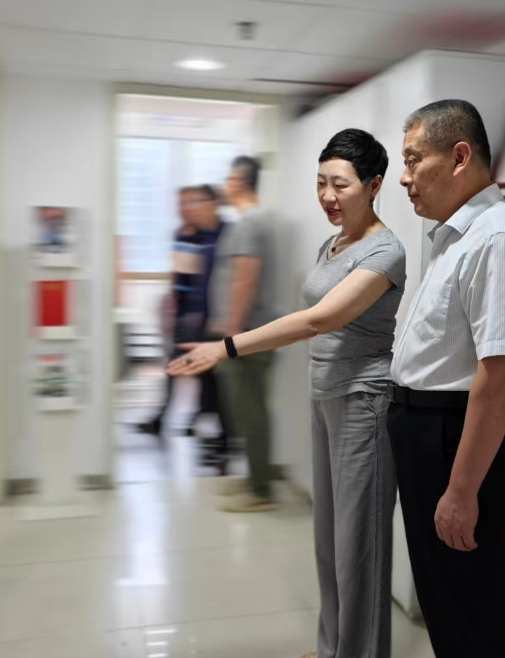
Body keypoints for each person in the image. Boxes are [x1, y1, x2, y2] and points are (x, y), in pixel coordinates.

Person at [171, 129, 404, 658]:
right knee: (329, 541)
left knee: (358, 546)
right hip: (325, 395)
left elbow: (319, 319)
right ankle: (332, 647)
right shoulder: (333, 243)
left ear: (374, 185)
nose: (327, 195)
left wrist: (226, 346)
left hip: (364, 402)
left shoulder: (387, 251)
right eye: (321, 183)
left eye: (340, 184)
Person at [389, 100, 505, 658]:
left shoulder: (499, 238)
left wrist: (460, 492)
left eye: (414, 159)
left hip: (459, 444)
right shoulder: (458, 236)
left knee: (470, 624)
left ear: (459, 157)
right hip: (434, 436)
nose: (405, 177)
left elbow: (499, 378)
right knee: (449, 608)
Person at [184, 156, 281, 510]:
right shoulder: (252, 222)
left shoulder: (249, 224)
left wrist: (231, 337)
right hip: (247, 333)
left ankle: (260, 491)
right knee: (246, 410)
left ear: (238, 182)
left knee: (250, 411)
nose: (225, 185)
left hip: (246, 335)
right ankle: (254, 478)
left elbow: (245, 278)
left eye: (228, 179)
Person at [139, 186, 227, 440]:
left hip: (204, 314)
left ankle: (197, 419)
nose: (185, 209)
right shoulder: (182, 234)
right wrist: (171, 308)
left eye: (190, 203)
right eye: (181, 204)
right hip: (185, 313)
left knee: (202, 370)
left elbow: (209, 278)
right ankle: (169, 417)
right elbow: (179, 275)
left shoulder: (215, 234)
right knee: (178, 365)